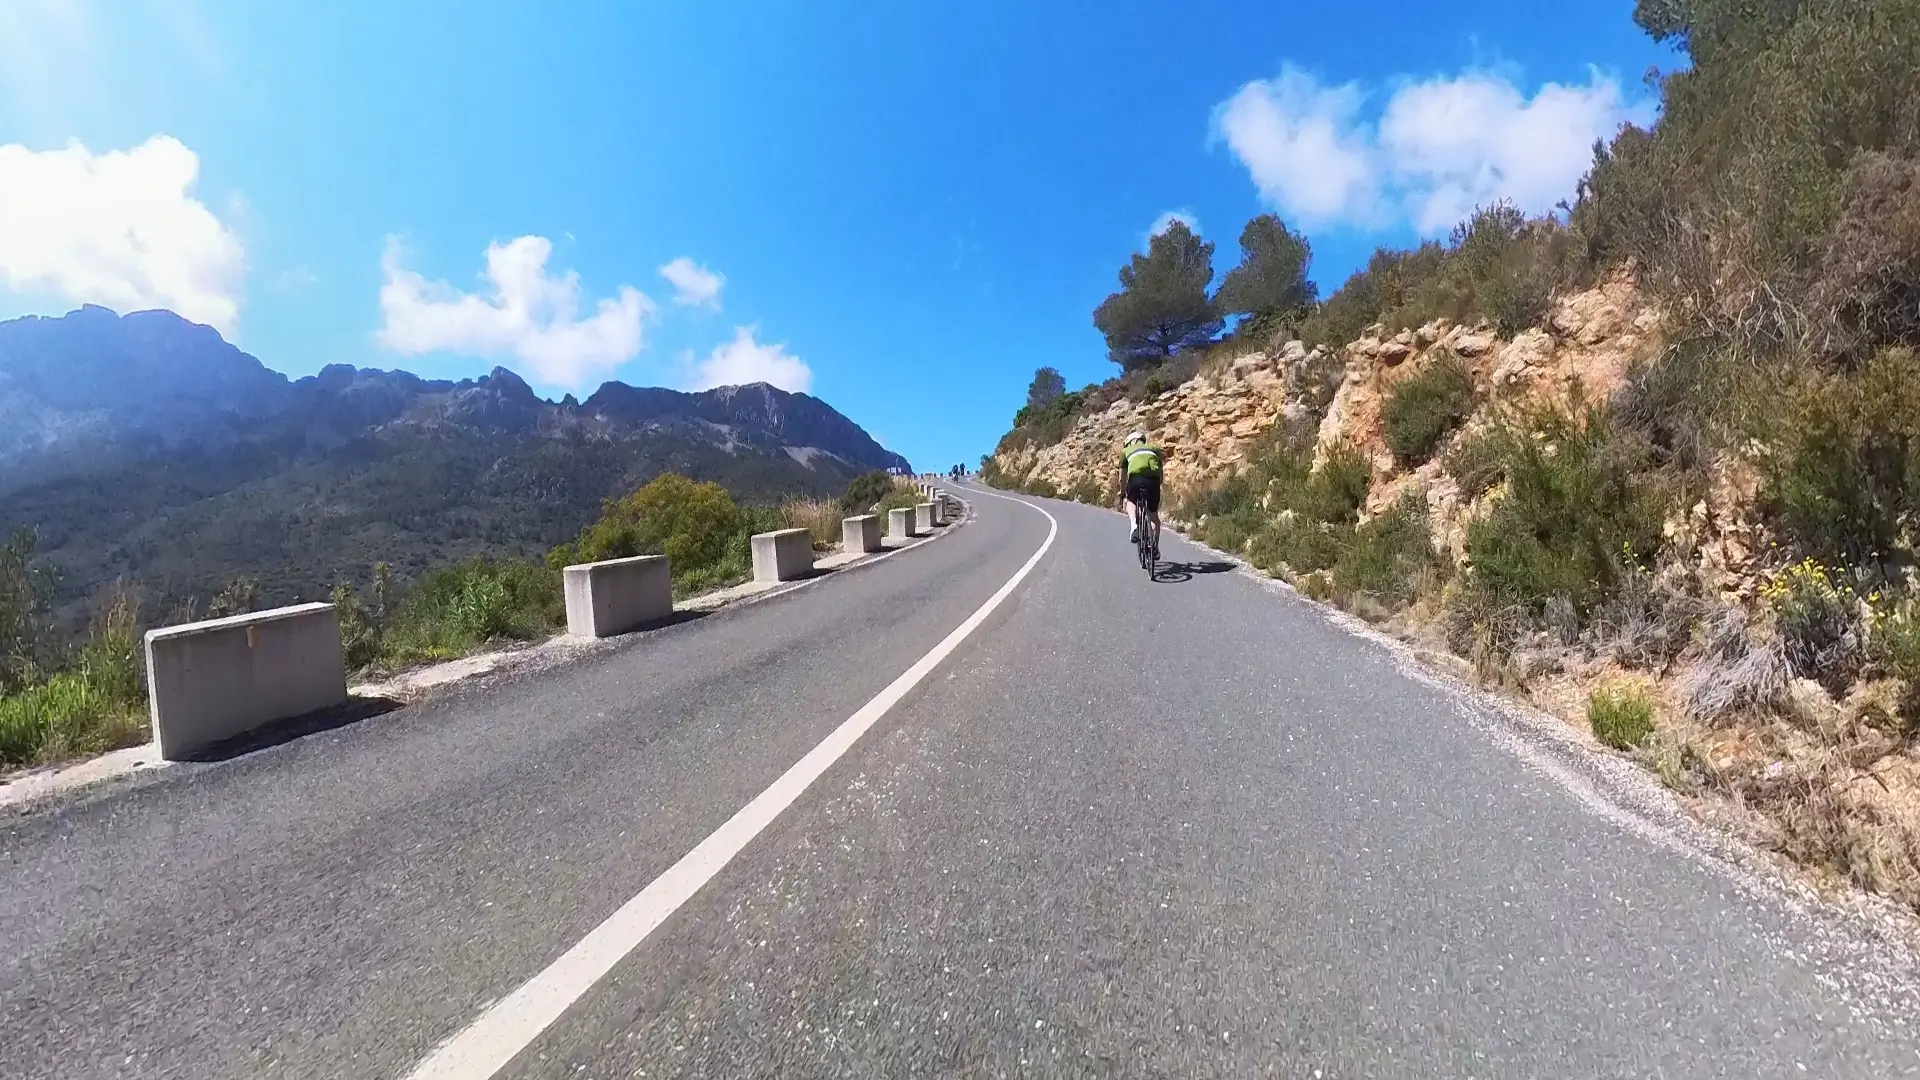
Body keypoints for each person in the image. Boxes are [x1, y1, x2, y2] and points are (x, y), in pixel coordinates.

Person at [1118, 430, 1164, 556]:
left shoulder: (1126, 451)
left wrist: (1122, 493)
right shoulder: (1154, 449)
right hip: (1153, 482)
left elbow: (1122, 478)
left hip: (1135, 480)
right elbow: (1160, 473)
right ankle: (1154, 546)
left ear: (1129, 443)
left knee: (1131, 501)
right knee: (1154, 517)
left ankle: (1134, 526)